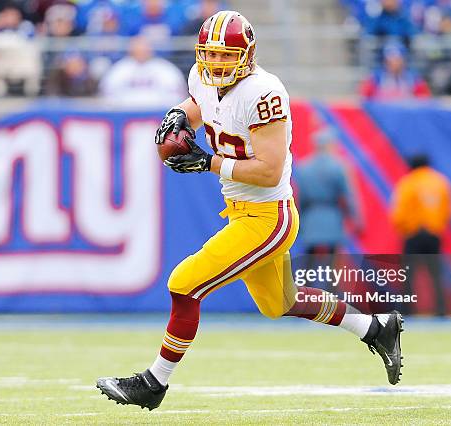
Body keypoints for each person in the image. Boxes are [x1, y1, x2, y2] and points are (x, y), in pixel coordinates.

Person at [96, 10, 404, 411]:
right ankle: (376, 328)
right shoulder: (202, 76)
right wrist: (178, 114)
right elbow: (197, 102)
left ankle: (154, 382)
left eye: (227, 55)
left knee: (184, 283)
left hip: (268, 215)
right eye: (211, 54)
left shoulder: (264, 93)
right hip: (242, 211)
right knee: (280, 304)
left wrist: (206, 162)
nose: (218, 63)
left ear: (248, 54)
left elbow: (268, 169)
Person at [295, 127, 361, 288]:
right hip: (332, 216)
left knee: (309, 260)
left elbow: (299, 199)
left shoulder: (303, 167)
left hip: (311, 217)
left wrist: (299, 220)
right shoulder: (339, 166)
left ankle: (305, 297)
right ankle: (331, 298)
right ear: (330, 144)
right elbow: (348, 196)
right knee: (332, 262)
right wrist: (356, 218)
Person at [390, 155, 451, 315]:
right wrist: (437, 226)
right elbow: (448, 211)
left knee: (408, 274)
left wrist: (404, 229)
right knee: (436, 274)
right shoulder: (440, 182)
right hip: (433, 234)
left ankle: (407, 310)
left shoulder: (408, 183)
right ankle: (441, 310)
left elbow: (398, 212)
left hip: (413, 233)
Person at [98, 35, 186, 108]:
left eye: (144, 47)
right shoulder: (119, 69)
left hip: (159, 115)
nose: (141, 50)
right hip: (126, 115)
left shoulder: (165, 68)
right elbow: (107, 95)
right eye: (138, 47)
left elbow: (177, 96)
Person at [360, 43, 431, 100]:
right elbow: (364, 99)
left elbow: (424, 100)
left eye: (397, 60)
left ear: (404, 61)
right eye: (390, 61)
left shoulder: (414, 79)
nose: (394, 64)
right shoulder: (376, 78)